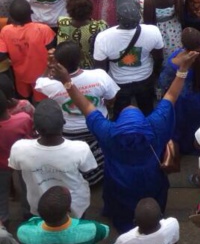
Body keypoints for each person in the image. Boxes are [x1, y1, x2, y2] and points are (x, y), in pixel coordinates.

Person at [49, 46, 199, 231]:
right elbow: (171, 96)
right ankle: (151, 218)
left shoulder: (109, 133)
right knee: (152, 199)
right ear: (143, 120)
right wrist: (183, 69)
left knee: (120, 201)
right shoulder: (156, 126)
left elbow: (86, 106)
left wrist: (67, 82)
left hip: (119, 178)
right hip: (151, 176)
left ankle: (124, 223)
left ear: (118, 122)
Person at [35, 41, 118, 186]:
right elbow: (112, 99)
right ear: (80, 58)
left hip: (69, 131)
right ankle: (98, 175)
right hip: (97, 126)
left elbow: (39, 82)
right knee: (101, 155)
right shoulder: (99, 76)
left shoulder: (50, 85)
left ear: (58, 62)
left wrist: (49, 67)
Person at [8, 99, 96, 218]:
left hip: (39, 205)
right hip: (74, 204)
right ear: (64, 122)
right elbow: (88, 169)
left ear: (34, 127)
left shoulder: (19, 148)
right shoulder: (80, 148)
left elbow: (16, 167)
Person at [93, 0, 165, 114]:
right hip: (145, 79)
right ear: (139, 15)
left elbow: (100, 70)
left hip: (118, 83)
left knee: (120, 116)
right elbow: (159, 58)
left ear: (117, 17)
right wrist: (154, 76)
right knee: (147, 112)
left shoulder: (103, 37)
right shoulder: (153, 31)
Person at [159, 27, 200, 154]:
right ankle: (198, 144)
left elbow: (163, 82)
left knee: (181, 126)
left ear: (183, 44)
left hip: (182, 102)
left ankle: (183, 149)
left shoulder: (175, 61)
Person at [0, 0, 56, 100]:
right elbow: (52, 50)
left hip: (20, 75)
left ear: (11, 17)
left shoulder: (5, 31)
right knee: (42, 101)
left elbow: (2, 54)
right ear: (31, 13)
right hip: (42, 76)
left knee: (25, 98)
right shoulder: (43, 29)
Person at [0, 89, 33, 224]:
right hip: (22, 160)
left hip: (1, 165)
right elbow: (29, 138)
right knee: (26, 187)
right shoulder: (23, 119)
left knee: (1, 193)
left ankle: (3, 219)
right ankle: (28, 213)